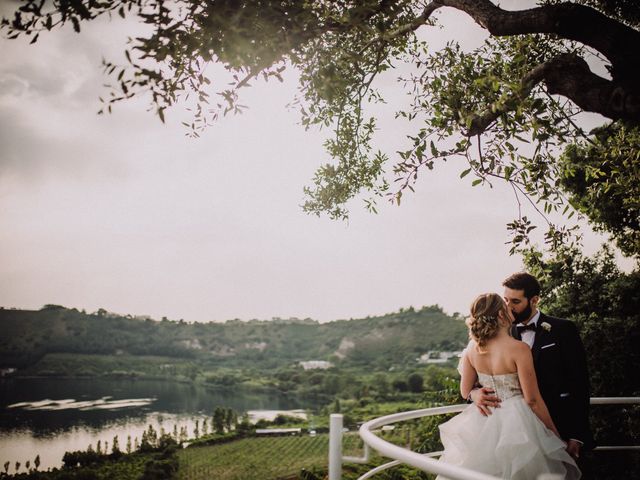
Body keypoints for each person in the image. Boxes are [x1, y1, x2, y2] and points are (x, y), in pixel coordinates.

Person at [437, 293, 581, 479]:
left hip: (483, 419)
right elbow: (532, 400)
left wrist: (475, 394)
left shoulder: (472, 348)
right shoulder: (519, 349)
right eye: (505, 305)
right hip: (518, 422)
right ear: (500, 315)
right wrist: (554, 436)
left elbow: (465, 390)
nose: (509, 306)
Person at [470, 272, 594, 459]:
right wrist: (474, 394)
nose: (508, 308)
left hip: (559, 426)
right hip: (511, 434)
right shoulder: (497, 334)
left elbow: (580, 384)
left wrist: (577, 435)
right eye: (506, 301)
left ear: (534, 300)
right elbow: (477, 379)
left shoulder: (563, 330)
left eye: (515, 302)